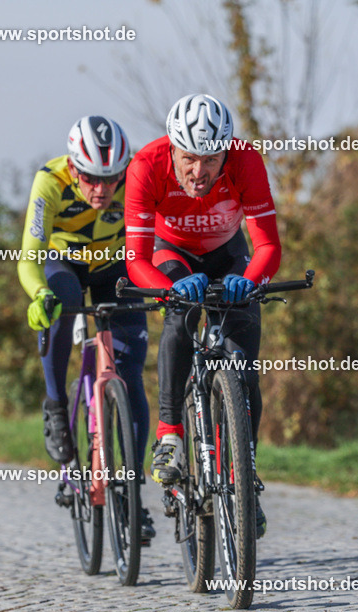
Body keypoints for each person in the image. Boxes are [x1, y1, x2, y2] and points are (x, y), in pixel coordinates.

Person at [124, 94, 281, 538]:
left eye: (211, 159)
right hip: (170, 256)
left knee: (244, 370)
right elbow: (135, 259)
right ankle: (171, 434)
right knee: (178, 319)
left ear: (226, 151)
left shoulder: (246, 161)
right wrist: (169, 286)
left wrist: (250, 280)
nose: (199, 171)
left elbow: (267, 246)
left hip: (230, 257)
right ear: (171, 149)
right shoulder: (146, 166)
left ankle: (242, 477)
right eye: (189, 158)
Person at [19, 115, 154, 543]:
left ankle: (132, 492)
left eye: (112, 178)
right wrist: (38, 294)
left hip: (117, 266)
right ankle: (57, 407)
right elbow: (29, 257)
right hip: (67, 266)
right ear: (74, 168)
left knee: (131, 376)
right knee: (61, 304)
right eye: (92, 179)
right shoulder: (50, 182)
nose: (102, 190)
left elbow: (163, 235)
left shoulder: (136, 179)